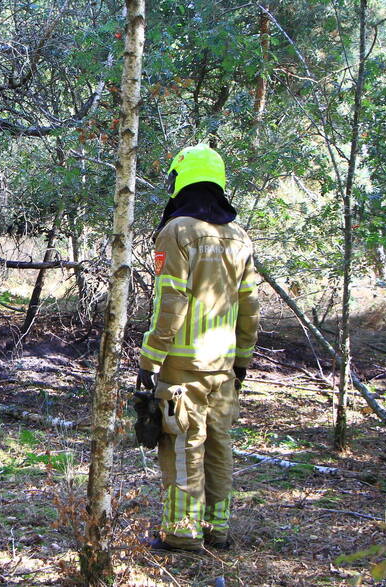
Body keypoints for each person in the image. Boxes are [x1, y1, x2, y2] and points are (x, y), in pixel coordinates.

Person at [139, 142, 260, 552]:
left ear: (180, 180)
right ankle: (217, 528)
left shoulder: (176, 231)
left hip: (182, 368)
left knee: (182, 442)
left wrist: (150, 358)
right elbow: (249, 307)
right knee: (219, 443)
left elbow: (170, 302)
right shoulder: (239, 236)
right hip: (224, 366)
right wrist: (242, 359)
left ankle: (181, 532)